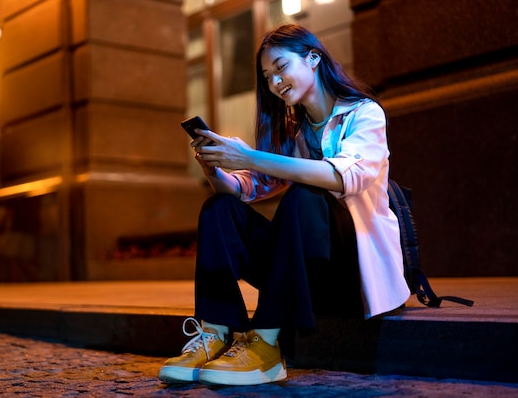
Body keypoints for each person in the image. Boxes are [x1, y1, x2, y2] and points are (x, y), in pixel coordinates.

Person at [159, 24, 410, 386]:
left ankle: (266, 343)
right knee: (218, 208)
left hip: (353, 273)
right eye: (267, 76)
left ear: (313, 58)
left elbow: (344, 178)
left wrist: (249, 156)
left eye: (280, 67)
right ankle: (216, 333)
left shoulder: (364, 113)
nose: (275, 82)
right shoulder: (295, 134)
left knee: (304, 195)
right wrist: (215, 166)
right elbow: (243, 190)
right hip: (306, 273)